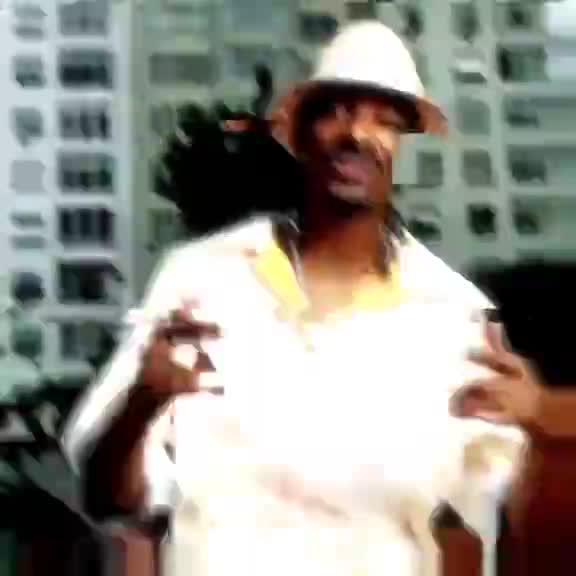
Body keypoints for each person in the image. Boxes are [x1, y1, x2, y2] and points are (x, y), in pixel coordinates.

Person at [61, 21, 563, 576]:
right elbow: (110, 501)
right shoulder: (201, 279)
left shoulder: (453, 314)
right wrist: (142, 403)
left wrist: (539, 422)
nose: (357, 134)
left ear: (400, 147)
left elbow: (489, 526)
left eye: (384, 120)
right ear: (299, 136)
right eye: (337, 112)